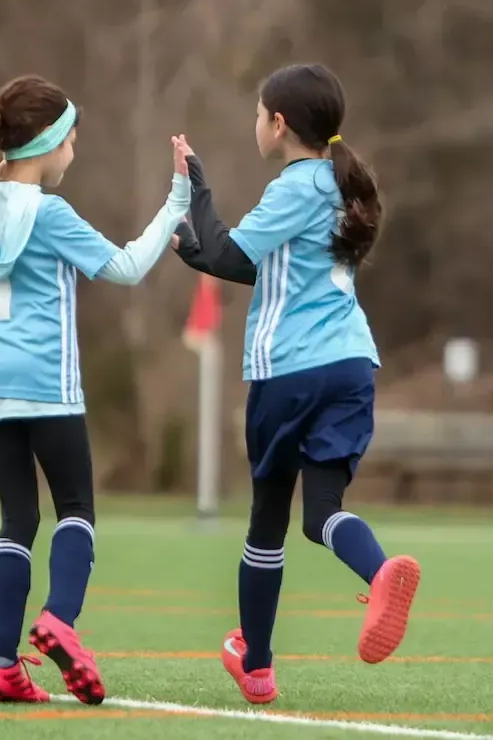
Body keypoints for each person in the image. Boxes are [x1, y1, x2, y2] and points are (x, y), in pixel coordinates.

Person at [0, 75, 191, 705]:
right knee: (76, 509)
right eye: (72, 140)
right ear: (49, 143)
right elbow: (126, 268)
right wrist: (178, 199)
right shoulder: (50, 214)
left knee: (17, 519)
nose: (74, 151)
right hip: (49, 384)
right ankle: (59, 622)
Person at [171, 63, 421, 704]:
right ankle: (382, 569)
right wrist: (199, 247)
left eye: (258, 114)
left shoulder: (296, 186)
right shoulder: (342, 185)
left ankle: (256, 666)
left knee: (267, 522)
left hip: (290, 371)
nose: (255, 123)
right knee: (323, 515)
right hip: (351, 367)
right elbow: (275, 273)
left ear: (279, 124)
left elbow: (228, 255)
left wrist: (197, 190)